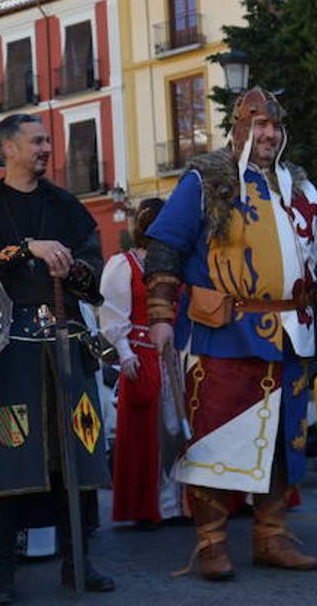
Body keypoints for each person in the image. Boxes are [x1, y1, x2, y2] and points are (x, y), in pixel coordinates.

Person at [144, 88, 317, 581]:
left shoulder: (301, 188)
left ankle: (271, 536)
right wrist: (162, 315)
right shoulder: (206, 180)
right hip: (223, 334)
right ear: (238, 129)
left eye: (274, 126)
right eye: (258, 125)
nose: (268, 134)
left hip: (291, 333)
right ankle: (211, 544)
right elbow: (166, 244)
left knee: (280, 441)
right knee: (214, 440)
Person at [0, 113, 113, 604]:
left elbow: (93, 263)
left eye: (47, 140)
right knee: (6, 459)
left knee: (76, 455)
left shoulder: (65, 205)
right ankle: (1, 572)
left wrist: (76, 266)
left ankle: (78, 560)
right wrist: (23, 250)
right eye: (36, 141)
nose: (46, 148)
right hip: (7, 347)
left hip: (65, 339)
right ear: (10, 148)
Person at [99, 198, 181, 527]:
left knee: (177, 432)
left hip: (174, 353)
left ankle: (175, 503)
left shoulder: (176, 264)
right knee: (150, 433)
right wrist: (124, 351)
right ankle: (150, 506)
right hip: (141, 352)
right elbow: (112, 311)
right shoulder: (125, 264)